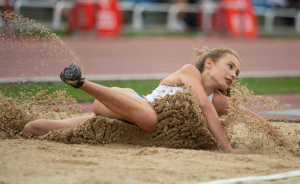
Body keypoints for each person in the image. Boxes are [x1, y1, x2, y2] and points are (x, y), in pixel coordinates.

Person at [23, 47, 295, 154]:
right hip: (123, 102)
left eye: (237, 72)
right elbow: (202, 106)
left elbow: (252, 118)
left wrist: (289, 145)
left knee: (34, 129)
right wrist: (228, 149)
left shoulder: (219, 101)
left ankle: (14, 123)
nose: (234, 74)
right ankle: (81, 82)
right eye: (230, 66)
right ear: (209, 64)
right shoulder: (190, 74)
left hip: (124, 125)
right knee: (149, 117)